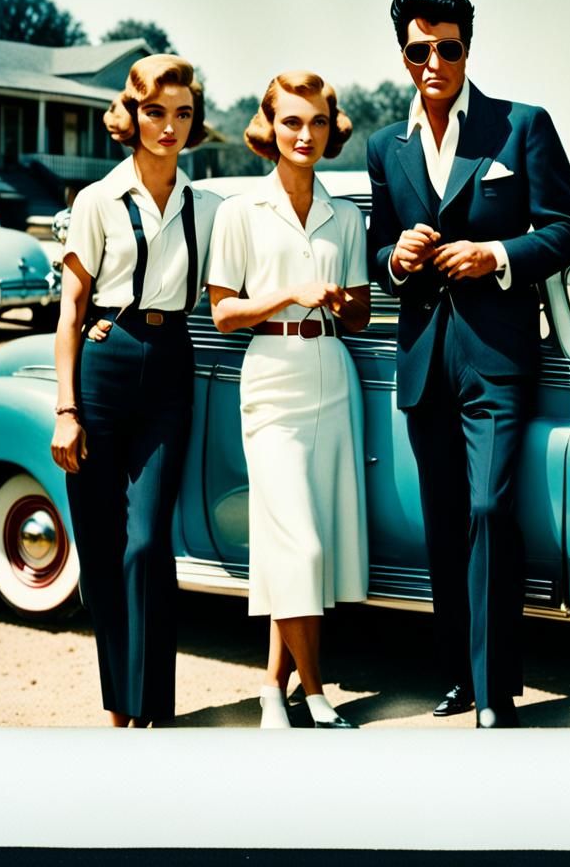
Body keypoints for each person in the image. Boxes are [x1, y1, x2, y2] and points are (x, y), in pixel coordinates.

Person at [367, 0, 570, 728]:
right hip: (423, 359)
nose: (434, 62)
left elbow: (567, 230)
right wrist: (396, 258)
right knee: (442, 521)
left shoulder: (521, 126)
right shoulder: (384, 147)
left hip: (496, 357)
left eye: (448, 48)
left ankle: (495, 694)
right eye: (419, 50)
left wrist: (495, 255)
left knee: (490, 510)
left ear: (467, 48)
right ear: (403, 56)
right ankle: (458, 678)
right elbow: (378, 254)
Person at [50, 54, 219, 727]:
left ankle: (153, 709)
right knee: (100, 544)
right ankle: (122, 712)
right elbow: (71, 309)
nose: (169, 126)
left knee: (148, 543)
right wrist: (67, 410)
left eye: (182, 114)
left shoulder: (209, 208)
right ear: (132, 115)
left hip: (171, 365)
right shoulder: (97, 200)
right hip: (103, 364)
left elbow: (236, 286)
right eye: (155, 112)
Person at [206, 71, 370, 729]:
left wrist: (339, 299)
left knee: (305, 546)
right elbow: (223, 314)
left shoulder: (347, 216)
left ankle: (273, 688)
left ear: (332, 130)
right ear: (269, 128)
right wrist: (289, 295)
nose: (306, 134)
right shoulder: (239, 212)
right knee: (299, 545)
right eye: (292, 121)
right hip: (272, 379)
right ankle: (318, 695)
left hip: (332, 375)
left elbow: (360, 313)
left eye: (318, 122)